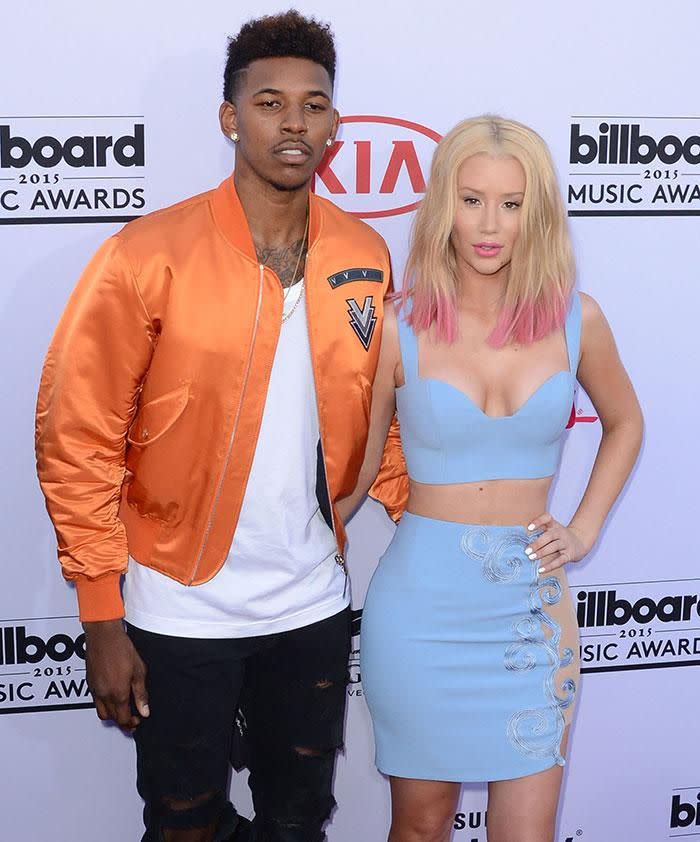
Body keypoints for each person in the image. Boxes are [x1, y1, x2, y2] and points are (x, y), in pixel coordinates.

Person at [35, 11, 391, 842]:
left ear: (335, 124)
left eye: (314, 104)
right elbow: (77, 435)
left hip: (311, 607)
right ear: (230, 118)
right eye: (270, 102)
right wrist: (99, 613)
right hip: (178, 610)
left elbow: (382, 418)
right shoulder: (148, 254)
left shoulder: (365, 254)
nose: (294, 122)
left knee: (300, 823)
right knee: (184, 824)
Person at [337, 116, 643, 842]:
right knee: (420, 826)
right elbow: (350, 473)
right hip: (420, 609)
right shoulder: (394, 325)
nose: (489, 225)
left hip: (531, 610)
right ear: (444, 202)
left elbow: (625, 423)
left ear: (536, 214)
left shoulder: (579, 320)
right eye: (472, 200)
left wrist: (585, 527)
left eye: (512, 204)